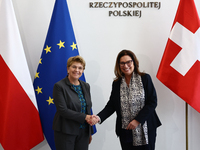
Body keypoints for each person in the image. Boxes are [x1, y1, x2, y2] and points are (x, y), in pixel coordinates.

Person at [94, 50, 161, 150]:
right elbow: (112, 105)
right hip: (125, 130)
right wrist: (98, 117)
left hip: (145, 127)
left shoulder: (145, 78)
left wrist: (137, 120)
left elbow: (152, 102)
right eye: (122, 63)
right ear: (118, 65)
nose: (126, 66)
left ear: (134, 62)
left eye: (128, 62)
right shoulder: (117, 83)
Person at [52, 56, 98, 150]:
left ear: (83, 71)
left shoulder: (86, 86)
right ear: (68, 69)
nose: (77, 70)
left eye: (80, 68)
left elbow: (87, 108)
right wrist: (85, 117)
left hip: (84, 132)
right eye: (74, 67)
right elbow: (63, 110)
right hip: (65, 131)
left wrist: (89, 132)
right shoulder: (59, 86)